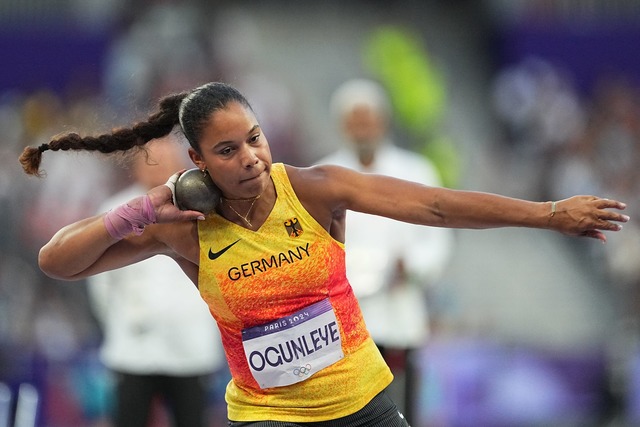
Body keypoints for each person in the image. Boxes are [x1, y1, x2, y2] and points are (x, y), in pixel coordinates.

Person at [18, 81, 628, 426]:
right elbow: (57, 260)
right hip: (267, 418)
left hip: (362, 405)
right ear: (198, 163)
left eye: (254, 139)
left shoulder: (312, 188)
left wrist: (547, 214)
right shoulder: (182, 228)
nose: (251, 157)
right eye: (227, 151)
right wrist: (140, 211)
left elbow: (433, 206)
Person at [315, 78, 453, 421]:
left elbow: (437, 238)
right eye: (355, 120)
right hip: (346, 320)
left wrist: (414, 266)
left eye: (369, 118)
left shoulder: (416, 171)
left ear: (383, 121)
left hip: (400, 313)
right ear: (343, 125)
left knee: (401, 410)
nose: (363, 128)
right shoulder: (323, 175)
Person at [86, 136, 227, 427]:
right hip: (133, 347)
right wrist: (121, 322)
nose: (155, 167)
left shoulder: (204, 210)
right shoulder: (116, 210)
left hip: (191, 345)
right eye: (148, 160)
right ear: (135, 167)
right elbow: (101, 285)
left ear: (180, 163)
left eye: (163, 159)